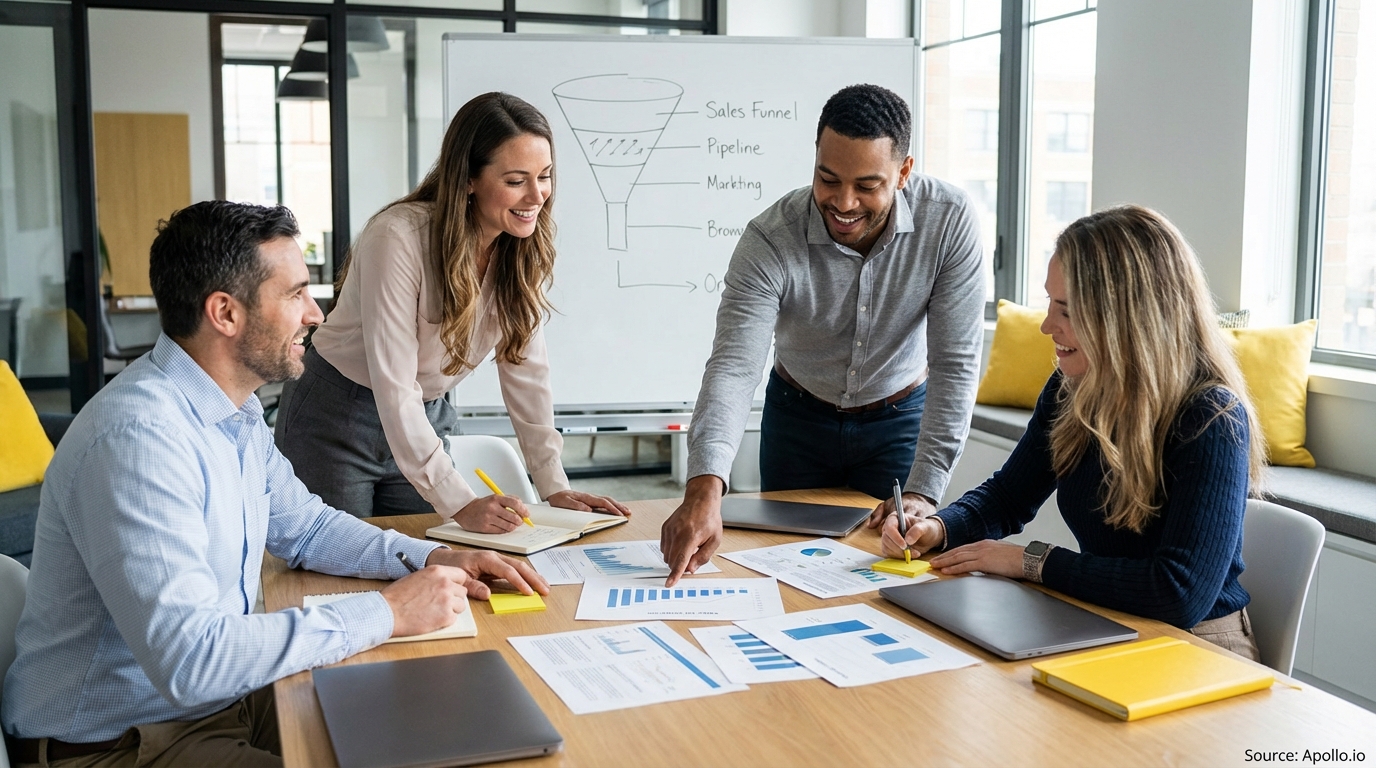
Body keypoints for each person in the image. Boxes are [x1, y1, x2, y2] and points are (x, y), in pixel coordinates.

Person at [1, 201, 550, 766]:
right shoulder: (138, 441)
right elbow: (193, 661)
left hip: (217, 703)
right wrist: (387, 612)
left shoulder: (233, 415)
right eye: (294, 294)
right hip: (122, 745)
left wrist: (435, 554)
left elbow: (308, 528)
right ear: (225, 313)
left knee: (436, 716)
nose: (315, 314)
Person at [881, 205, 1266, 660]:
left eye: (1066, 310)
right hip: (1107, 620)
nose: (1047, 326)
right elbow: (1010, 495)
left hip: (1201, 645)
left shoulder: (1212, 417)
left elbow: (1178, 593)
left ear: (1128, 316)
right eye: (1049, 302)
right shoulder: (1072, 387)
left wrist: (1032, 561)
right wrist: (939, 527)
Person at [660, 84, 985, 584]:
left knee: (886, 573)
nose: (844, 202)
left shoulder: (949, 221)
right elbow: (735, 364)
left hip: (898, 422)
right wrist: (704, 490)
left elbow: (955, 362)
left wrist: (924, 489)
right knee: (786, 573)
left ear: (903, 172)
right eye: (827, 178)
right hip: (798, 421)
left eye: (867, 185)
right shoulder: (771, 237)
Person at [275, 92, 629, 530]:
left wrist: (553, 485)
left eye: (545, 176)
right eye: (516, 180)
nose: (537, 195)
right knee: (336, 566)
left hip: (424, 412)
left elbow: (526, 371)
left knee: (430, 559)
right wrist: (460, 502)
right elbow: (393, 382)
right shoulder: (398, 237)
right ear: (467, 179)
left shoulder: (522, 247)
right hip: (336, 416)